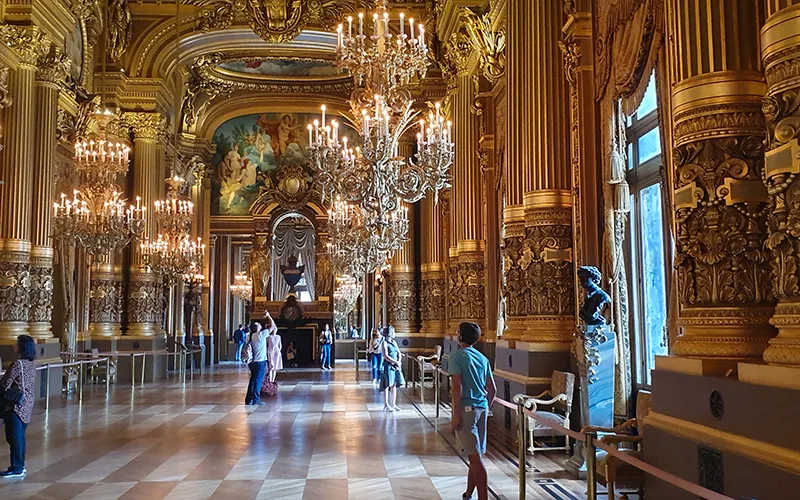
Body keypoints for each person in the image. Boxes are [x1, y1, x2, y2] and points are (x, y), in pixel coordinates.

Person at [448, 322, 496, 500]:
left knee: (475, 458)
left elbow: (456, 388)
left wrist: (456, 415)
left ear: (460, 336)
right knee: (474, 455)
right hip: (482, 408)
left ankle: (483, 497)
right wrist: (486, 407)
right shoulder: (482, 358)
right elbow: (492, 389)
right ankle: (469, 493)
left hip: (467, 410)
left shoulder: (456, 357)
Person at [0, 335, 36, 478]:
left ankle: (17, 467)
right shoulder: (31, 364)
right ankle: (20, 465)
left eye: (16, 344)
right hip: (27, 404)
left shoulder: (17, 364)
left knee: (13, 437)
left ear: (22, 347)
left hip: (15, 405)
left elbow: (5, 384)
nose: (13, 346)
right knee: (20, 436)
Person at [379, 326, 404, 412]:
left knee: (394, 385)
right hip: (388, 366)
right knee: (387, 385)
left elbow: (399, 352)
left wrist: (399, 361)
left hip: (395, 366)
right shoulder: (384, 343)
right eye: (393, 332)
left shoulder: (394, 342)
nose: (394, 333)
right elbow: (386, 356)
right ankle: (386, 405)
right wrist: (395, 362)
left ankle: (393, 404)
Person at [244, 321, 268, 406]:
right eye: (259, 325)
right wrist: (268, 316)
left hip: (251, 362)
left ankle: (249, 399)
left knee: (253, 380)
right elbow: (273, 327)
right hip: (260, 361)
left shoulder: (249, 335)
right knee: (258, 381)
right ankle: (256, 399)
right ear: (257, 328)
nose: (260, 325)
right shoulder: (260, 335)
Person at [266, 317, 283, 383]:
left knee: (275, 367)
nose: (274, 330)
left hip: (276, 352)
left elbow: (280, 345)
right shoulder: (269, 337)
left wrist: (278, 351)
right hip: (270, 352)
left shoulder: (278, 336)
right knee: (271, 367)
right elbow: (267, 345)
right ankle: (270, 380)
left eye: (275, 329)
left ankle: (273, 380)